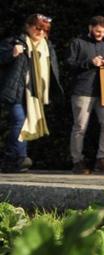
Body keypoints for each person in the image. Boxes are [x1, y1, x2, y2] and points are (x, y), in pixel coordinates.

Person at [0, 14, 63, 172]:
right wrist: (12, 54)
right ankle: (21, 157)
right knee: (20, 122)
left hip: (34, 93)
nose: (40, 32)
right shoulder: (14, 42)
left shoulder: (47, 46)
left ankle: (10, 159)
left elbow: (52, 70)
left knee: (27, 123)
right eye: (37, 28)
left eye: (44, 29)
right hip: (15, 90)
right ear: (28, 26)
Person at [67, 15, 104, 174]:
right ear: (90, 28)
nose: (100, 35)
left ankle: (102, 159)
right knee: (80, 127)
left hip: (103, 92)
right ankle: (77, 161)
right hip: (82, 91)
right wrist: (90, 63)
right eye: (98, 31)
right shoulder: (77, 43)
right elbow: (69, 65)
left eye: (103, 32)